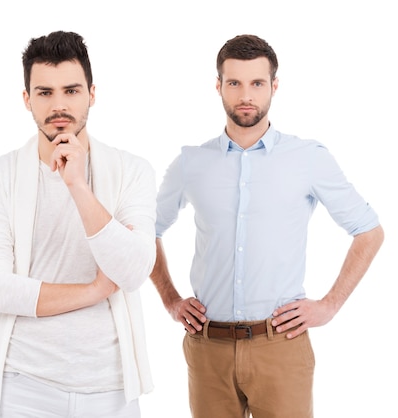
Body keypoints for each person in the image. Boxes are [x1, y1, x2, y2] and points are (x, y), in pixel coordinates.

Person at [149, 34, 384, 418]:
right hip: (208, 349)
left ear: (274, 86)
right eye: (235, 83)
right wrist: (171, 300)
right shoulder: (190, 163)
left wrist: (330, 305)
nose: (246, 94)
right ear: (218, 86)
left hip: (281, 347)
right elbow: (146, 231)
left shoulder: (308, 158)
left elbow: (369, 231)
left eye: (257, 83)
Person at [0, 30, 156, 418]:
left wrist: (78, 186)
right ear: (27, 100)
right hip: (23, 385)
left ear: (92, 93)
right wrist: (93, 290)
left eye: (71, 91)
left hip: (111, 387)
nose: (59, 105)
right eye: (45, 93)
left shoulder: (132, 171)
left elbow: (135, 270)